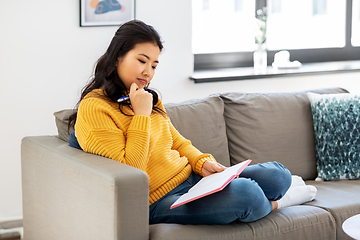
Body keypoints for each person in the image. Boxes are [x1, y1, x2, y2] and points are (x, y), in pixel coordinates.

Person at [68, 20, 317, 225]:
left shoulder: (145, 97)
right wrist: (141, 116)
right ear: (116, 58)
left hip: (190, 178)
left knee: (278, 175)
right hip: (156, 199)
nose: (148, 72)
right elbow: (130, 172)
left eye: (154, 65)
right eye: (142, 61)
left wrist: (201, 162)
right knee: (247, 194)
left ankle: (269, 194)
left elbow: (176, 140)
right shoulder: (95, 108)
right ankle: (279, 203)